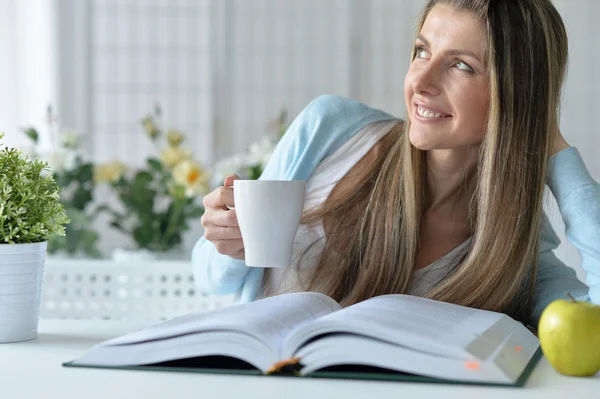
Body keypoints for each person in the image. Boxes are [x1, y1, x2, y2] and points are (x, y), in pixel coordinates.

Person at [193, 0, 600, 328]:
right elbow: (212, 277)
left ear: (514, 94)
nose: (421, 81)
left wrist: (554, 146)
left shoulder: (513, 246)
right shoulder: (330, 129)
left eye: (461, 65)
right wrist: (226, 243)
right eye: (422, 51)